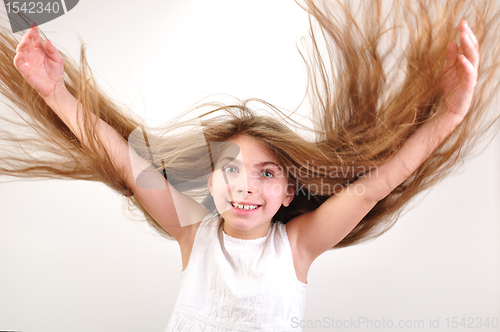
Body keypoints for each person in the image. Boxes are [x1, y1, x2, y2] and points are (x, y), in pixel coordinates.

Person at [1, 0, 499, 331]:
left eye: (266, 173)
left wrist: (451, 114)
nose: (245, 184)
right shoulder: (193, 232)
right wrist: (55, 91)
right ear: (210, 181)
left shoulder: (297, 246)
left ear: (288, 192)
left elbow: (373, 188)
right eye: (231, 168)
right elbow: (127, 163)